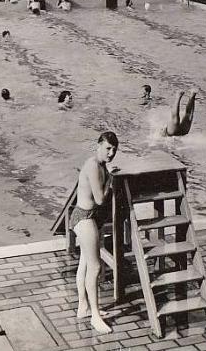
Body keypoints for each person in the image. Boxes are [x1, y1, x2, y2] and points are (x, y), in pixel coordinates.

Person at [71, 131, 119, 334]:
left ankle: (83, 307)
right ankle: (96, 317)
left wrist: (109, 173)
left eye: (114, 150)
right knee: (96, 267)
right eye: (108, 148)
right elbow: (100, 199)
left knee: (85, 263)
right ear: (98, 145)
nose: (111, 153)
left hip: (91, 217)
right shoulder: (92, 165)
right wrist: (111, 180)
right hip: (84, 218)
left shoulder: (101, 165)